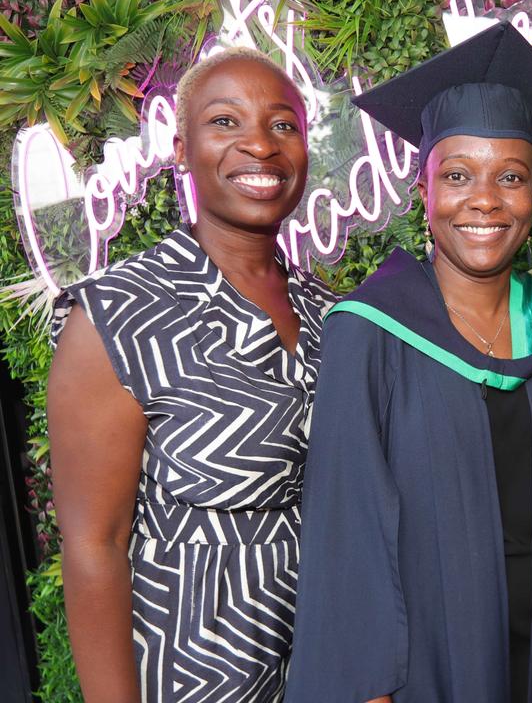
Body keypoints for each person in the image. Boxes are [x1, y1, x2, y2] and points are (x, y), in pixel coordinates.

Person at [285, 22, 532, 703]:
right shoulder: (369, 333)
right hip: (424, 671)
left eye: (510, 177)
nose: (484, 201)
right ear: (423, 192)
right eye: (457, 176)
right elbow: (348, 533)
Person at [47, 47, 337, 702]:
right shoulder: (120, 313)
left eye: (282, 124)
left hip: (327, 666)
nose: (259, 145)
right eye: (225, 122)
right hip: (194, 674)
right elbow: (95, 544)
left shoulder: (331, 314)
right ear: (181, 149)